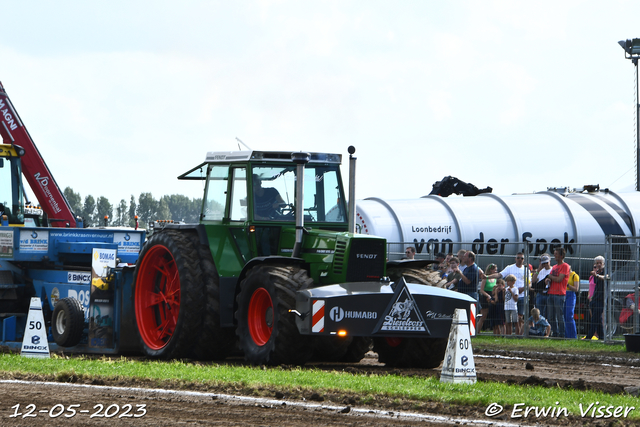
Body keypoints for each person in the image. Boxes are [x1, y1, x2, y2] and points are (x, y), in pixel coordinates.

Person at [485, 253, 531, 335]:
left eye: (522, 258)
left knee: (519, 318)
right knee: (508, 319)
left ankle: (519, 335)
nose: (520, 259)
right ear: (515, 258)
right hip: (509, 298)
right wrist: (488, 276)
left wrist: (523, 288)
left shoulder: (526, 269)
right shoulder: (510, 268)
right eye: (518, 258)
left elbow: (529, 283)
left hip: (522, 296)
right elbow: (499, 274)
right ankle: (508, 335)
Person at [544, 247, 570, 338]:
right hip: (551, 293)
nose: (554, 255)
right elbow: (550, 277)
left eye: (556, 254)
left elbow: (559, 279)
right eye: (554, 253)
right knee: (551, 316)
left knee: (559, 316)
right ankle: (555, 333)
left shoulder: (565, 266)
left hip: (559, 294)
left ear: (561, 256)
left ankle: (562, 334)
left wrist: (550, 277)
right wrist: (547, 279)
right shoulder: (554, 267)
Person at [584, 255, 605, 340]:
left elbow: (605, 278)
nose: (599, 265)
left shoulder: (604, 272)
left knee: (594, 319)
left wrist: (596, 275)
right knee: (598, 320)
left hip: (601, 299)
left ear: (603, 264)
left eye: (600, 263)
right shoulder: (596, 274)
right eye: (597, 263)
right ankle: (602, 337)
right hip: (594, 298)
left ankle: (589, 336)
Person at [477, 263, 497, 333]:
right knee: (483, 317)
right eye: (495, 270)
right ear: (491, 270)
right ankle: (477, 331)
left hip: (493, 297)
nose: (496, 272)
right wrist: (488, 295)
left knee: (494, 316)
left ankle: (495, 332)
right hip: (485, 297)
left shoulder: (495, 279)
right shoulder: (485, 279)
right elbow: (481, 290)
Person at [532, 254, 552, 319]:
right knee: (539, 313)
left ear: (550, 262)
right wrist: (538, 270)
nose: (545, 265)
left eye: (547, 263)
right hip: (540, 294)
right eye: (544, 263)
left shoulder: (552, 270)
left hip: (548, 294)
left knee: (548, 313)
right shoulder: (540, 271)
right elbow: (533, 280)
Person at [564, 269, 580, 339]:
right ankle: (566, 335)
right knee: (564, 316)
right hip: (564, 294)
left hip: (571, 295)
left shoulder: (575, 276)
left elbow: (576, 289)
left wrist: (568, 285)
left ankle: (573, 336)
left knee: (569, 315)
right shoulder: (564, 276)